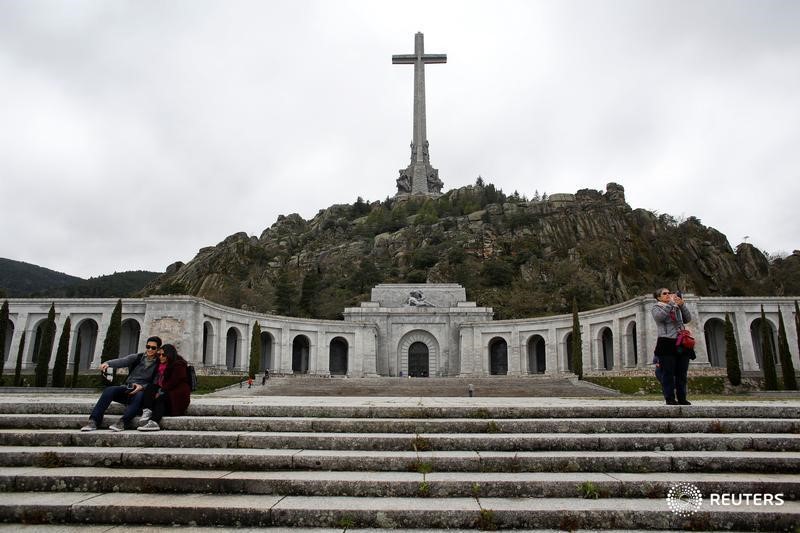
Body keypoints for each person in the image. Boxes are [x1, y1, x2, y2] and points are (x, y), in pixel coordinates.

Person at [81, 336, 162, 432]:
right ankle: (93, 420)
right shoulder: (137, 357)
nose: (149, 349)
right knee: (109, 390)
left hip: (142, 391)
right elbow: (122, 361)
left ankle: (123, 422)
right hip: (128, 387)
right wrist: (108, 363)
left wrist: (141, 387)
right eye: (148, 346)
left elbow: (156, 382)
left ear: (158, 349)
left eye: (153, 348)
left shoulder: (159, 363)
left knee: (139, 395)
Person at [651, 288, 693, 405]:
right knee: (668, 373)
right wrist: (670, 305)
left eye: (669, 293)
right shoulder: (656, 308)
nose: (668, 295)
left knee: (682, 372)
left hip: (681, 342)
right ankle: (669, 398)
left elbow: (687, 319)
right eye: (665, 293)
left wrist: (682, 305)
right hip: (666, 342)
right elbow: (660, 318)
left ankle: (682, 398)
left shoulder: (676, 307)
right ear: (658, 297)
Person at [137, 344, 191, 432]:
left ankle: (154, 422)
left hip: (178, 396)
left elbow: (173, 382)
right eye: (159, 355)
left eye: (163, 355)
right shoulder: (161, 365)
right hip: (168, 392)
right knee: (150, 387)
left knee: (161, 397)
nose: (160, 357)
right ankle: (147, 411)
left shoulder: (179, 364)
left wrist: (160, 391)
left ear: (169, 355)